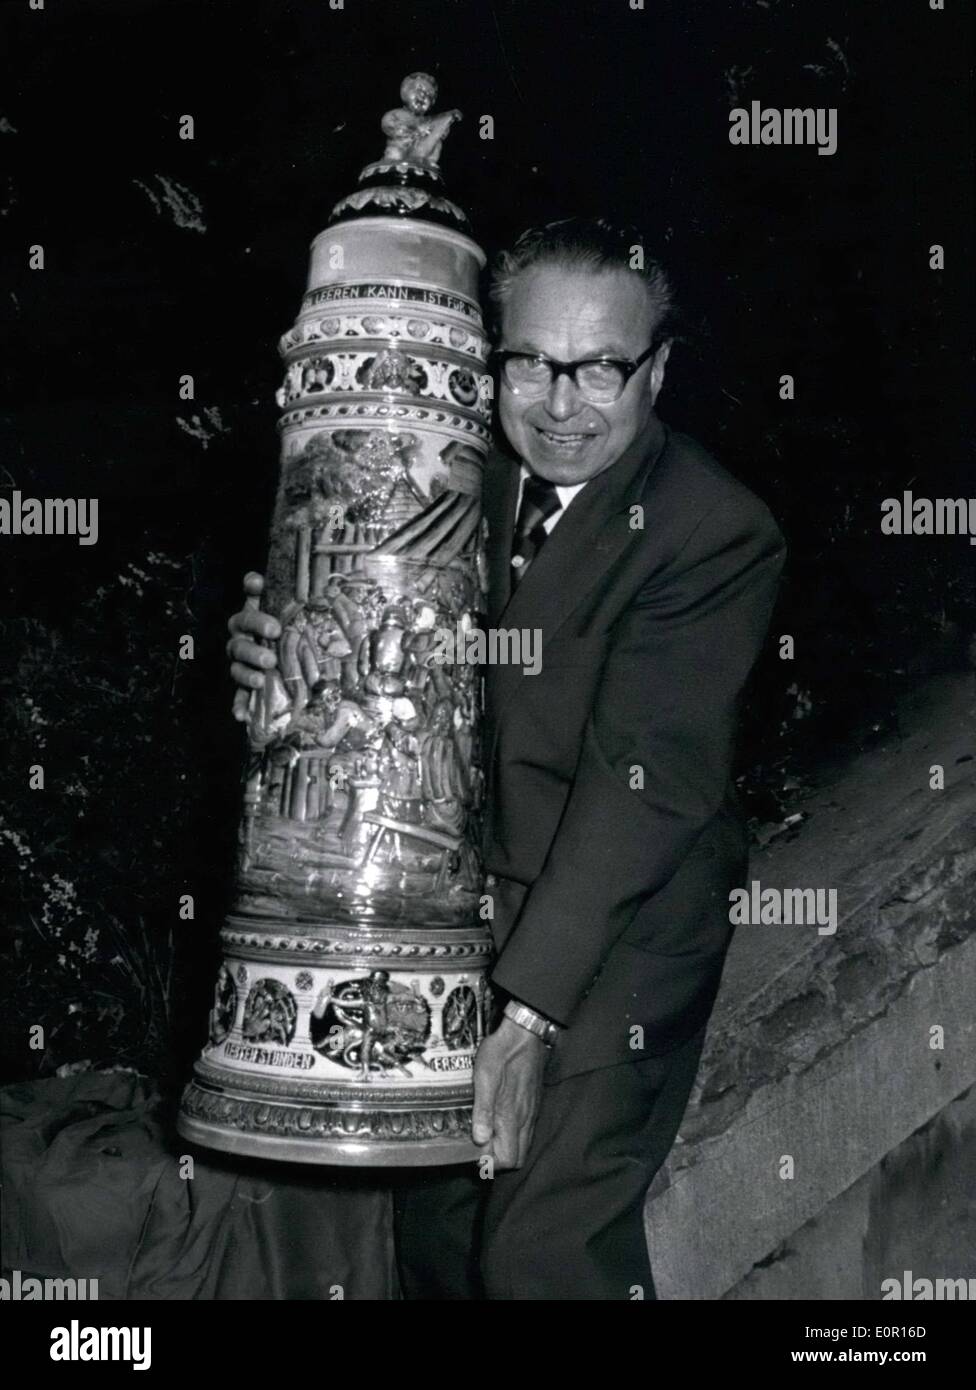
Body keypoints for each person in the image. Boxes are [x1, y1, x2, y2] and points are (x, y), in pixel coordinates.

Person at [227, 218, 787, 1299]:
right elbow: (365, 645)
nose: (560, 403)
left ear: (656, 371)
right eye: (530, 361)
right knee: (433, 1237)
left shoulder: (712, 530)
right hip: (459, 899)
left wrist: (525, 1017)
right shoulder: (454, 478)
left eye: (600, 369)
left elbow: (646, 788)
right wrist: (284, 649)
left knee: (538, 1249)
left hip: (621, 910)